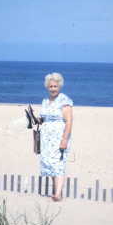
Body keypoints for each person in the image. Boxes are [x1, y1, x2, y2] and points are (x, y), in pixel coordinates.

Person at [39, 72, 73, 202]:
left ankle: (58, 194)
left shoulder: (64, 101)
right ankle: (56, 191)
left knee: (58, 163)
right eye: (51, 86)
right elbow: (43, 119)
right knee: (50, 164)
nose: (53, 89)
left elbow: (69, 121)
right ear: (47, 87)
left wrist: (64, 139)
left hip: (59, 137)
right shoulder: (45, 102)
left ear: (60, 87)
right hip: (46, 139)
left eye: (55, 86)